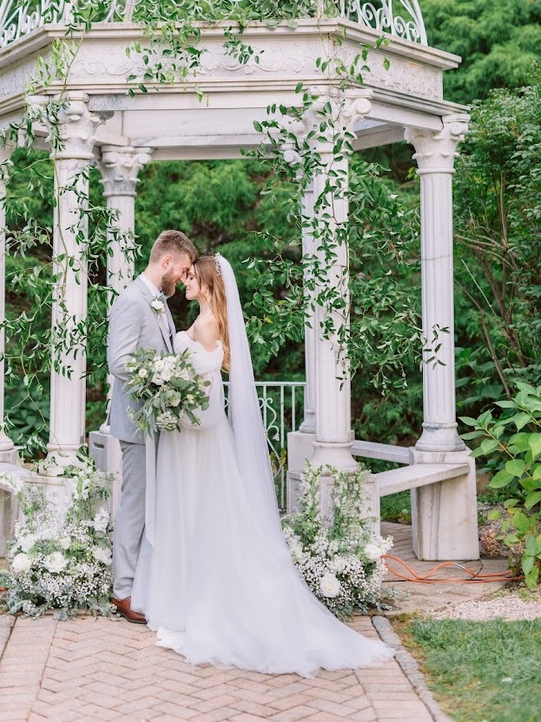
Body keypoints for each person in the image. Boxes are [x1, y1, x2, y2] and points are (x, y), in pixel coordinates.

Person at [131, 254, 393, 675]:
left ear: (209, 284)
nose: (187, 281)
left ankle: (200, 599)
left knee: (201, 510)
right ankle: (186, 593)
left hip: (197, 433)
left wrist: (168, 383)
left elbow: (198, 383)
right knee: (198, 511)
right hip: (191, 431)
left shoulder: (208, 324)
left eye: (193, 277)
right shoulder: (204, 322)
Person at [107, 229, 197, 623]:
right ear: (166, 262)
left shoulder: (157, 301)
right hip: (136, 424)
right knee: (135, 505)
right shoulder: (131, 301)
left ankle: (143, 583)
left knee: (151, 506)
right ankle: (123, 590)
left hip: (154, 422)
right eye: (181, 270)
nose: (182, 277)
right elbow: (120, 361)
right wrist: (162, 374)